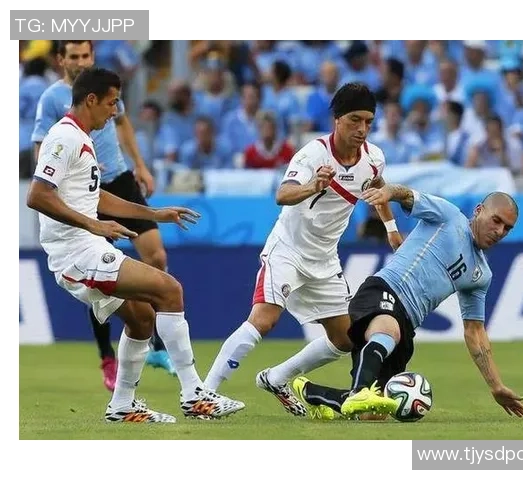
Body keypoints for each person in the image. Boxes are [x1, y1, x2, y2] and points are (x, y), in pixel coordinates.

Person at [27, 67, 245, 422]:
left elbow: (96, 197)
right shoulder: (63, 138)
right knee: (169, 290)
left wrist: (153, 213)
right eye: (112, 102)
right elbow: (37, 195)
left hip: (85, 248)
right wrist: (94, 224)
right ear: (91, 100)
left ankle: (122, 405)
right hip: (76, 252)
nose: (115, 111)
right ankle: (195, 395)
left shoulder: (81, 138)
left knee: (142, 318)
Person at [203, 83, 403, 416]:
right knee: (264, 319)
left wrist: (391, 228)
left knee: (345, 339)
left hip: (324, 260)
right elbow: (282, 195)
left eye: (368, 122)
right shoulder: (313, 154)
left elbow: (378, 188)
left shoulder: (374, 158)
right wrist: (313, 186)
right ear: (337, 119)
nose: (362, 129)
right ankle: (205, 394)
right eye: (355, 120)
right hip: (288, 250)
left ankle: (276, 378)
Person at [291, 187, 523, 420]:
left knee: (373, 413)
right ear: (479, 210)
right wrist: (388, 193)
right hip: (384, 290)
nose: (499, 231)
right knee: (388, 331)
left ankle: (314, 393)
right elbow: (407, 196)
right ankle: (358, 392)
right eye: (496, 221)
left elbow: (475, 331)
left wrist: (496, 386)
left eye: (507, 228)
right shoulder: (449, 216)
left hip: (407, 323)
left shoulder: (481, 275)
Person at [31, 40, 175, 392]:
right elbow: (42, 162)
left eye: (86, 55)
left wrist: (140, 166)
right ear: (61, 60)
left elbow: (123, 124)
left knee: (156, 258)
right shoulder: (55, 104)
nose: (81, 61)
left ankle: (152, 347)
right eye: (74, 56)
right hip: (81, 190)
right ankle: (108, 356)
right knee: (105, 275)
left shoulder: (106, 89)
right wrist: (58, 181)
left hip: (115, 179)